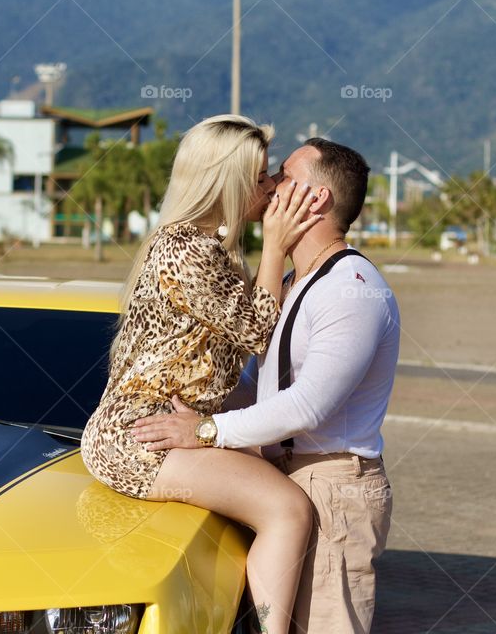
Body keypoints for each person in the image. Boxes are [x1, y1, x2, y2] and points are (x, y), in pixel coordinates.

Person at [132, 138, 400, 633]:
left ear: (315, 199)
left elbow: (308, 405)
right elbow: (264, 388)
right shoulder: (302, 280)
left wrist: (206, 432)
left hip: (332, 485)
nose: (270, 184)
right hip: (291, 475)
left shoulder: (351, 289)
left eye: (283, 174)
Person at [81, 115, 323, 634]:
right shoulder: (187, 251)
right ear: (229, 182)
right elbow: (258, 331)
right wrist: (278, 245)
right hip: (139, 435)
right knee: (288, 511)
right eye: (262, 177)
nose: (273, 186)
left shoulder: (201, 247)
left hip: (160, 422)